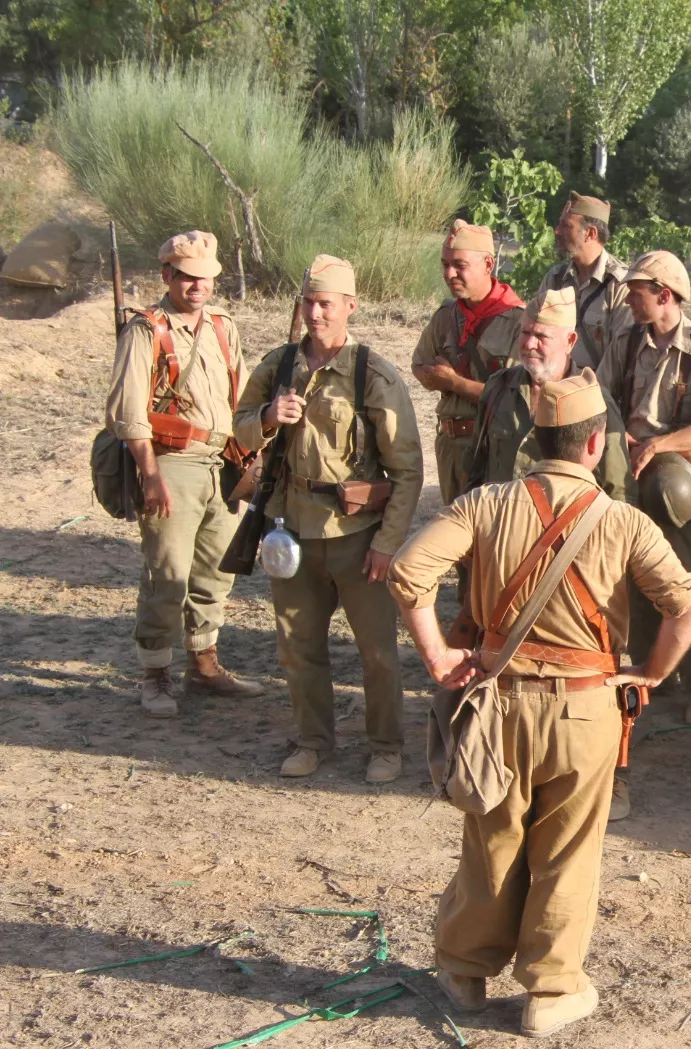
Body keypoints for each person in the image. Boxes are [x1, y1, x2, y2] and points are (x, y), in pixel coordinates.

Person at [388, 372, 691, 1038]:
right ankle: (552, 991)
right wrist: (648, 673)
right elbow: (686, 607)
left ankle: (466, 972)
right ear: (596, 444)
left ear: (536, 441)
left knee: (491, 837)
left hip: (495, 706)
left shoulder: (483, 504)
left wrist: (438, 659)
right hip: (585, 708)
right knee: (569, 849)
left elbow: (408, 574)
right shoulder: (624, 521)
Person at [233, 255, 423, 783]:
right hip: (292, 529)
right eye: (309, 303)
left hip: (356, 536)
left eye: (326, 304)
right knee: (298, 647)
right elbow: (238, 428)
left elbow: (407, 470)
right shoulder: (278, 366)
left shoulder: (373, 375)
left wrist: (387, 544)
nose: (315, 314)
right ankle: (312, 740)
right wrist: (269, 418)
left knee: (379, 654)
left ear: (349, 308)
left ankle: (386, 746)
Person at [104, 229, 262, 716]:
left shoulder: (222, 326)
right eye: (188, 277)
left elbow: (239, 397)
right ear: (167, 275)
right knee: (167, 573)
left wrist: (250, 451)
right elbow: (128, 413)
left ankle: (205, 663)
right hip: (172, 462)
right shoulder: (146, 330)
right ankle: (155, 674)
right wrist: (150, 475)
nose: (199, 286)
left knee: (216, 569)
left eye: (206, 278)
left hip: (222, 462)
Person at [594, 250, 691, 731]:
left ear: (665, 295)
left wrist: (659, 445)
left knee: (690, 581)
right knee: (636, 581)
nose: (629, 300)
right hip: (628, 471)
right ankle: (654, 673)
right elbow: (601, 394)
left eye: (637, 292)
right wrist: (623, 438)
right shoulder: (626, 342)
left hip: (682, 482)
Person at [465, 286, 628, 502]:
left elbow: (618, 491)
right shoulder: (498, 388)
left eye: (542, 336)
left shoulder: (594, 401)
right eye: (525, 333)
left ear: (570, 341)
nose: (530, 344)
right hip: (503, 525)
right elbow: (476, 470)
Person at [412, 220, 524, 507]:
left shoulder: (518, 321)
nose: (449, 274)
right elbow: (419, 364)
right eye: (445, 264)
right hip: (450, 444)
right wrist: (433, 376)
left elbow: (513, 397)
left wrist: (452, 383)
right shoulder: (447, 316)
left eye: (459, 265)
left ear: (488, 264)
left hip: (494, 447)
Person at [535, 192, 632, 372]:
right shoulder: (555, 278)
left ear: (590, 233)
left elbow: (621, 359)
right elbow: (535, 333)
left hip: (596, 393)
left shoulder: (620, 285)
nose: (557, 231)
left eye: (566, 225)